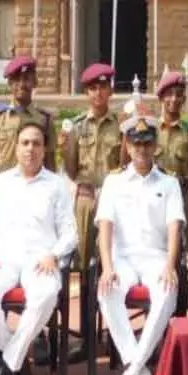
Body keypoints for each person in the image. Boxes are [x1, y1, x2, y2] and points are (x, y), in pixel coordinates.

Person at [0, 122, 78, 375]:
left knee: (45, 296)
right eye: (25, 143)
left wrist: (54, 253)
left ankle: (8, 364)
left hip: (40, 260)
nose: (30, 149)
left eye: (36, 143)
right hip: (2, 259)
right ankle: (18, 360)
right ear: (16, 148)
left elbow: (70, 232)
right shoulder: (0, 184)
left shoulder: (56, 185)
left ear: (45, 149)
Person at [0, 55, 57, 367]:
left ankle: (41, 334)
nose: (22, 84)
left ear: (34, 83)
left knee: (38, 269)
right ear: (10, 84)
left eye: (28, 78)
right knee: (1, 269)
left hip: (35, 196)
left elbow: (53, 166)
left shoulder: (45, 120)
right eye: (17, 79)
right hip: (5, 197)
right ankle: (2, 338)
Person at [96, 115, 185, 375]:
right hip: (122, 257)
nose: (142, 150)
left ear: (155, 146)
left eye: (147, 144)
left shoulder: (170, 183)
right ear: (127, 145)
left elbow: (175, 227)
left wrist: (170, 265)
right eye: (136, 144)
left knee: (167, 292)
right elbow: (105, 227)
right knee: (107, 292)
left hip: (156, 256)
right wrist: (107, 266)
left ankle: (132, 371)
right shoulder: (114, 182)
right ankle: (141, 371)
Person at [63, 63, 123, 272]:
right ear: (87, 92)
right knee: (83, 257)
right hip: (86, 197)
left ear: (110, 90)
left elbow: (124, 165)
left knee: (112, 255)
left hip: (112, 196)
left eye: (103, 87)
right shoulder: (77, 126)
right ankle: (85, 300)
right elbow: (71, 171)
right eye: (93, 88)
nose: (98, 93)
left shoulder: (119, 126)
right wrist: (66, 146)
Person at [153, 71, 188, 247]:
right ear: (161, 98)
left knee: (180, 250)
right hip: (153, 195)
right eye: (169, 94)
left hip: (180, 194)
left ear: (184, 99)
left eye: (178, 94)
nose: (174, 99)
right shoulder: (151, 129)